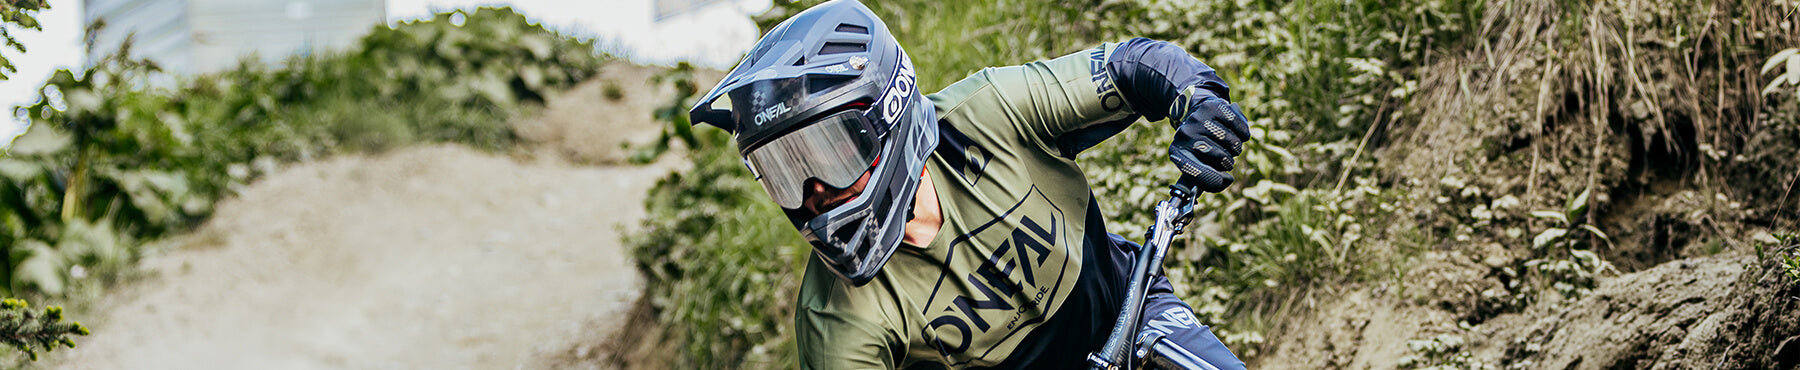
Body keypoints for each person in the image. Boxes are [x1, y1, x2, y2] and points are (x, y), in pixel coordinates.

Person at [687, 0, 1251, 368]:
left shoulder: (990, 112)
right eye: (784, 172)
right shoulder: (837, 317)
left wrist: (1197, 100)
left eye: (826, 155)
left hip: (1131, 312)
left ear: (886, 114)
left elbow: (1133, 66)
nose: (812, 194)